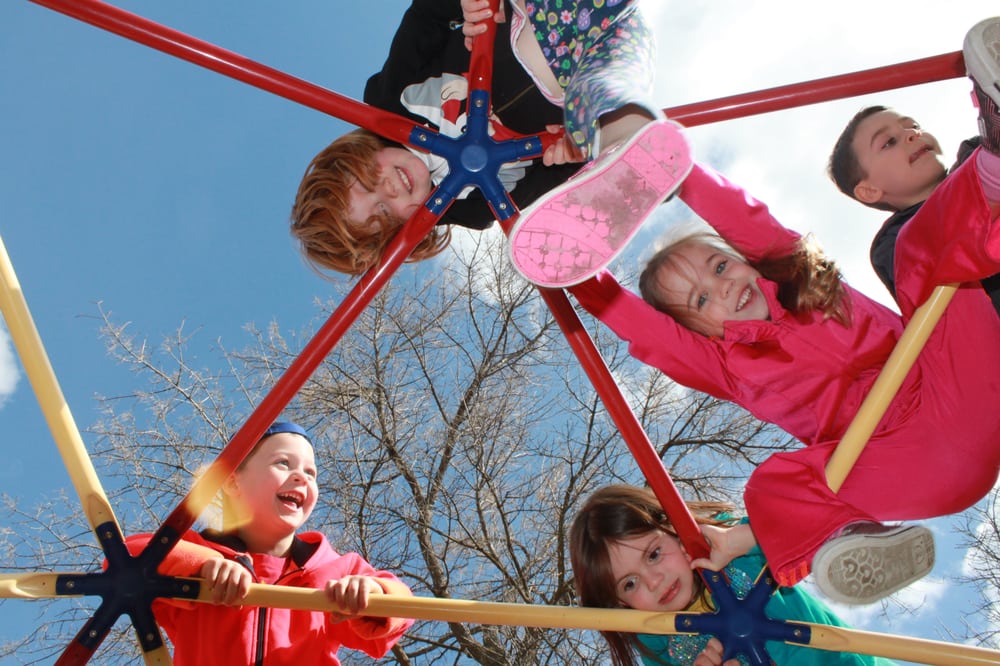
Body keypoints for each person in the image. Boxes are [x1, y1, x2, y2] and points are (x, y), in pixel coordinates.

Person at [568, 145, 1000, 604]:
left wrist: (681, 172)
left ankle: (991, 164)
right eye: (700, 301)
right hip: (908, 462)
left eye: (720, 266)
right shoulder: (730, 367)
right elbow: (642, 328)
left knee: (917, 250)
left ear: (746, 259)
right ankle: (853, 539)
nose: (723, 287)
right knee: (772, 483)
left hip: (957, 382)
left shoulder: (804, 277)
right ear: (699, 334)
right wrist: (570, 264)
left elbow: (749, 222)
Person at [291, 0, 692, 280]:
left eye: (366, 181)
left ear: (353, 156)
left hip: (529, 21)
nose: (390, 188)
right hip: (597, 69)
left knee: (526, 30)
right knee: (603, 118)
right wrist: (565, 153)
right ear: (403, 233)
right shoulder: (478, 209)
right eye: (383, 210)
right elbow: (550, 176)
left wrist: (466, 6)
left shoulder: (389, 101)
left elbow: (425, 16)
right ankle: (641, 155)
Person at [122, 421, 414, 665]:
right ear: (233, 483)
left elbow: (401, 612)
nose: (301, 476)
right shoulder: (200, 555)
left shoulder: (336, 570)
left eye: (311, 473)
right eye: (283, 463)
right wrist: (205, 566)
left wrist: (374, 593)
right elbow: (126, 556)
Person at [570, 485, 897, 665]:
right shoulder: (660, 649)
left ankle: (868, 540)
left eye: (654, 554)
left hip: (851, 661)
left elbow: (798, 526)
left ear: (673, 531)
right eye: (630, 583)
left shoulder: (736, 556)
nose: (654, 580)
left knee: (816, 527)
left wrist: (742, 538)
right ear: (620, 605)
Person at [827, 16, 1000, 314]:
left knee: (977, 158)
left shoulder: (971, 151)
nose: (911, 135)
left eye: (913, 126)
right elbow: (926, 252)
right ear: (869, 190)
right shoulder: (891, 245)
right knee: (919, 247)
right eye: (888, 142)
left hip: (982, 161)